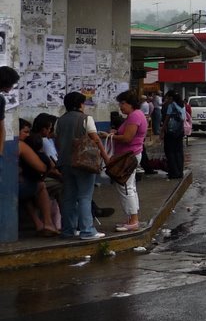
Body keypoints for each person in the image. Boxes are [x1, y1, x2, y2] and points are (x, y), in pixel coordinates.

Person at [54, 90, 108, 239]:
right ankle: (87, 231)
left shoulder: (59, 121)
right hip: (83, 164)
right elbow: (95, 139)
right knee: (84, 196)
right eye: (83, 103)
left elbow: (57, 141)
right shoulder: (86, 119)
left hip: (65, 163)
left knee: (68, 197)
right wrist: (106, 157)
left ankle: (68, 230)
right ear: (80, 104)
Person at [108, 90, 147, 232]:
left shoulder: (135, 116)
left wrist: (110, 136)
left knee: (126, 187)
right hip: (130, 155)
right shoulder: (135, 115)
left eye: (123, 103)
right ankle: (131, 218)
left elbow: (127, 138)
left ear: (130, 103)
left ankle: (133, 220)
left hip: (128, 156)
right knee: (130, 186)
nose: (121, 107)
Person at [17, 117, 61, 237]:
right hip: (14, 188)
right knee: (40, 186)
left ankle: (38, 223)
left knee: (26, 195)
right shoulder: (19, 145)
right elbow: (41, 167)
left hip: (14, 186)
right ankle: (48, 223)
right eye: (25, 132)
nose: (28, 135)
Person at [161, 91, 186, 180]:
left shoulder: (171, 105)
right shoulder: (182, 105)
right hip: (180, 132)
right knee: (179, 152)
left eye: (167, 98)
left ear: (171, 98)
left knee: (170, 152)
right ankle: (180, 172)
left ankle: (173, 172)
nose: (166, 100)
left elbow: (167, 119)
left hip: (171, 132)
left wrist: (162, 130)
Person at [0, 65, 19, 157]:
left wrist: (0, 151)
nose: (12, 87)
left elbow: (1, 128)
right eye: (12, 84)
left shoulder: (1, 100)